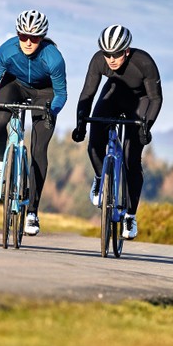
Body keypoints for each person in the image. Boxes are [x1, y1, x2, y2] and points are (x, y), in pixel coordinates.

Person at [0, 10, 67, 236]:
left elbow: (61, 94)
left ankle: (33, 213)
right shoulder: (7, 50)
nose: (27, 41)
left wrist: (51, 111)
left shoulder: (53, 57)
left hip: (44, 92)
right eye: (23, 36)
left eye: (34, 38)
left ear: (42, 37)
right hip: (14, 84)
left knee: (39, 150)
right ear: (17, 34)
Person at [71, 24, 163, 240]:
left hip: (139, 102)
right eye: (107, 54)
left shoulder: (144, 62)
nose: (111, 59)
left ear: (127, 51)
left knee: (132, 159)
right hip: (112, 96)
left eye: (117, 54)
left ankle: (130, 215)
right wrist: (81, 123)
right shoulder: (98, 60)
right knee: (94, 143)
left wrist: (146, 127)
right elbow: (87, 93)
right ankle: (99, 177)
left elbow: (156, 98)